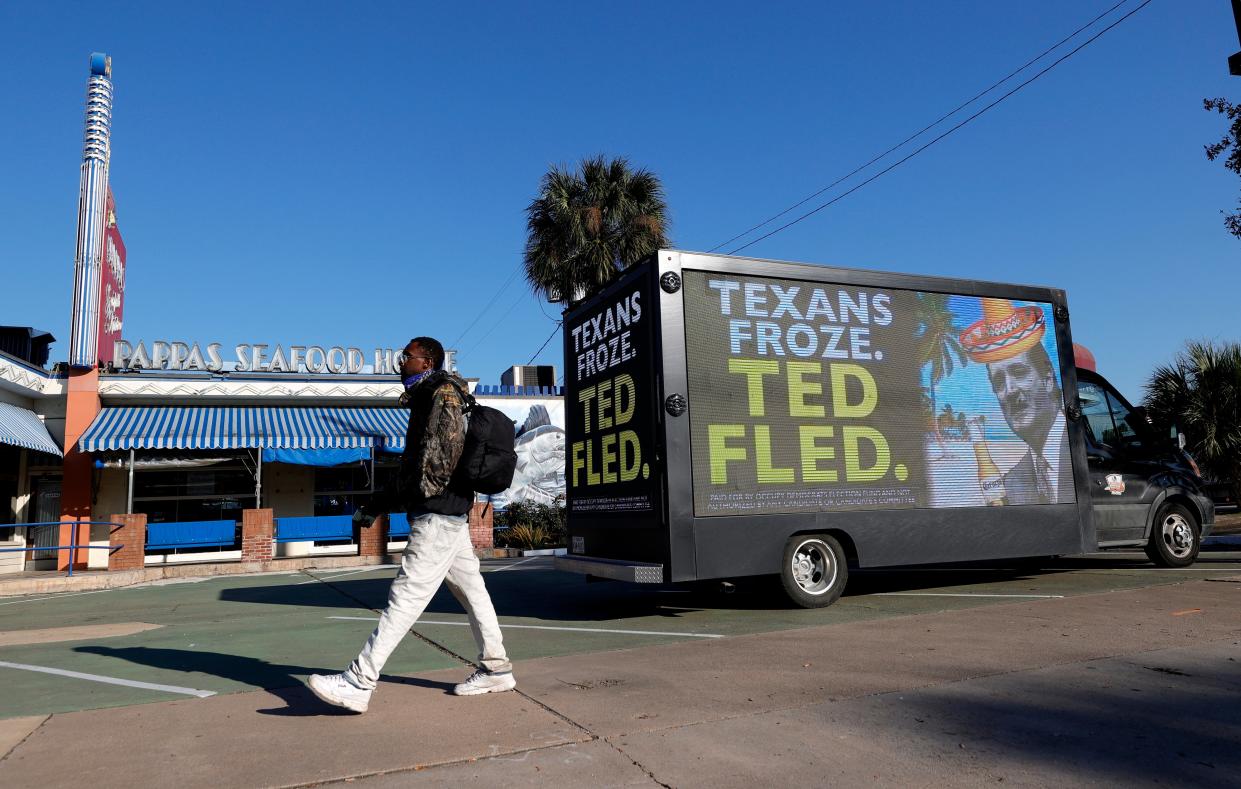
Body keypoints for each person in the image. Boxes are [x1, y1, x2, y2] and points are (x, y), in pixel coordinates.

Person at [307, 336, 515, 713]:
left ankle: (359, 680)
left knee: (407, 596)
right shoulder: (437, 394)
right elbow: (422, 463)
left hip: (437, 515)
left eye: (406, 357)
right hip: (449, 512)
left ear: (426, 362)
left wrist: (412, 499)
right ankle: (496, 669)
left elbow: (431, 461)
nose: (399, 362)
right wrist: (380, 503)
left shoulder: (438, 394)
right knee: (474, 593)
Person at [960, 298, 1072, 505]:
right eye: (999, 381)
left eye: (1019, 372)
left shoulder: (1079, 452)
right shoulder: (1011, 484)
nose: (1009, 391)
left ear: (1047, 377)